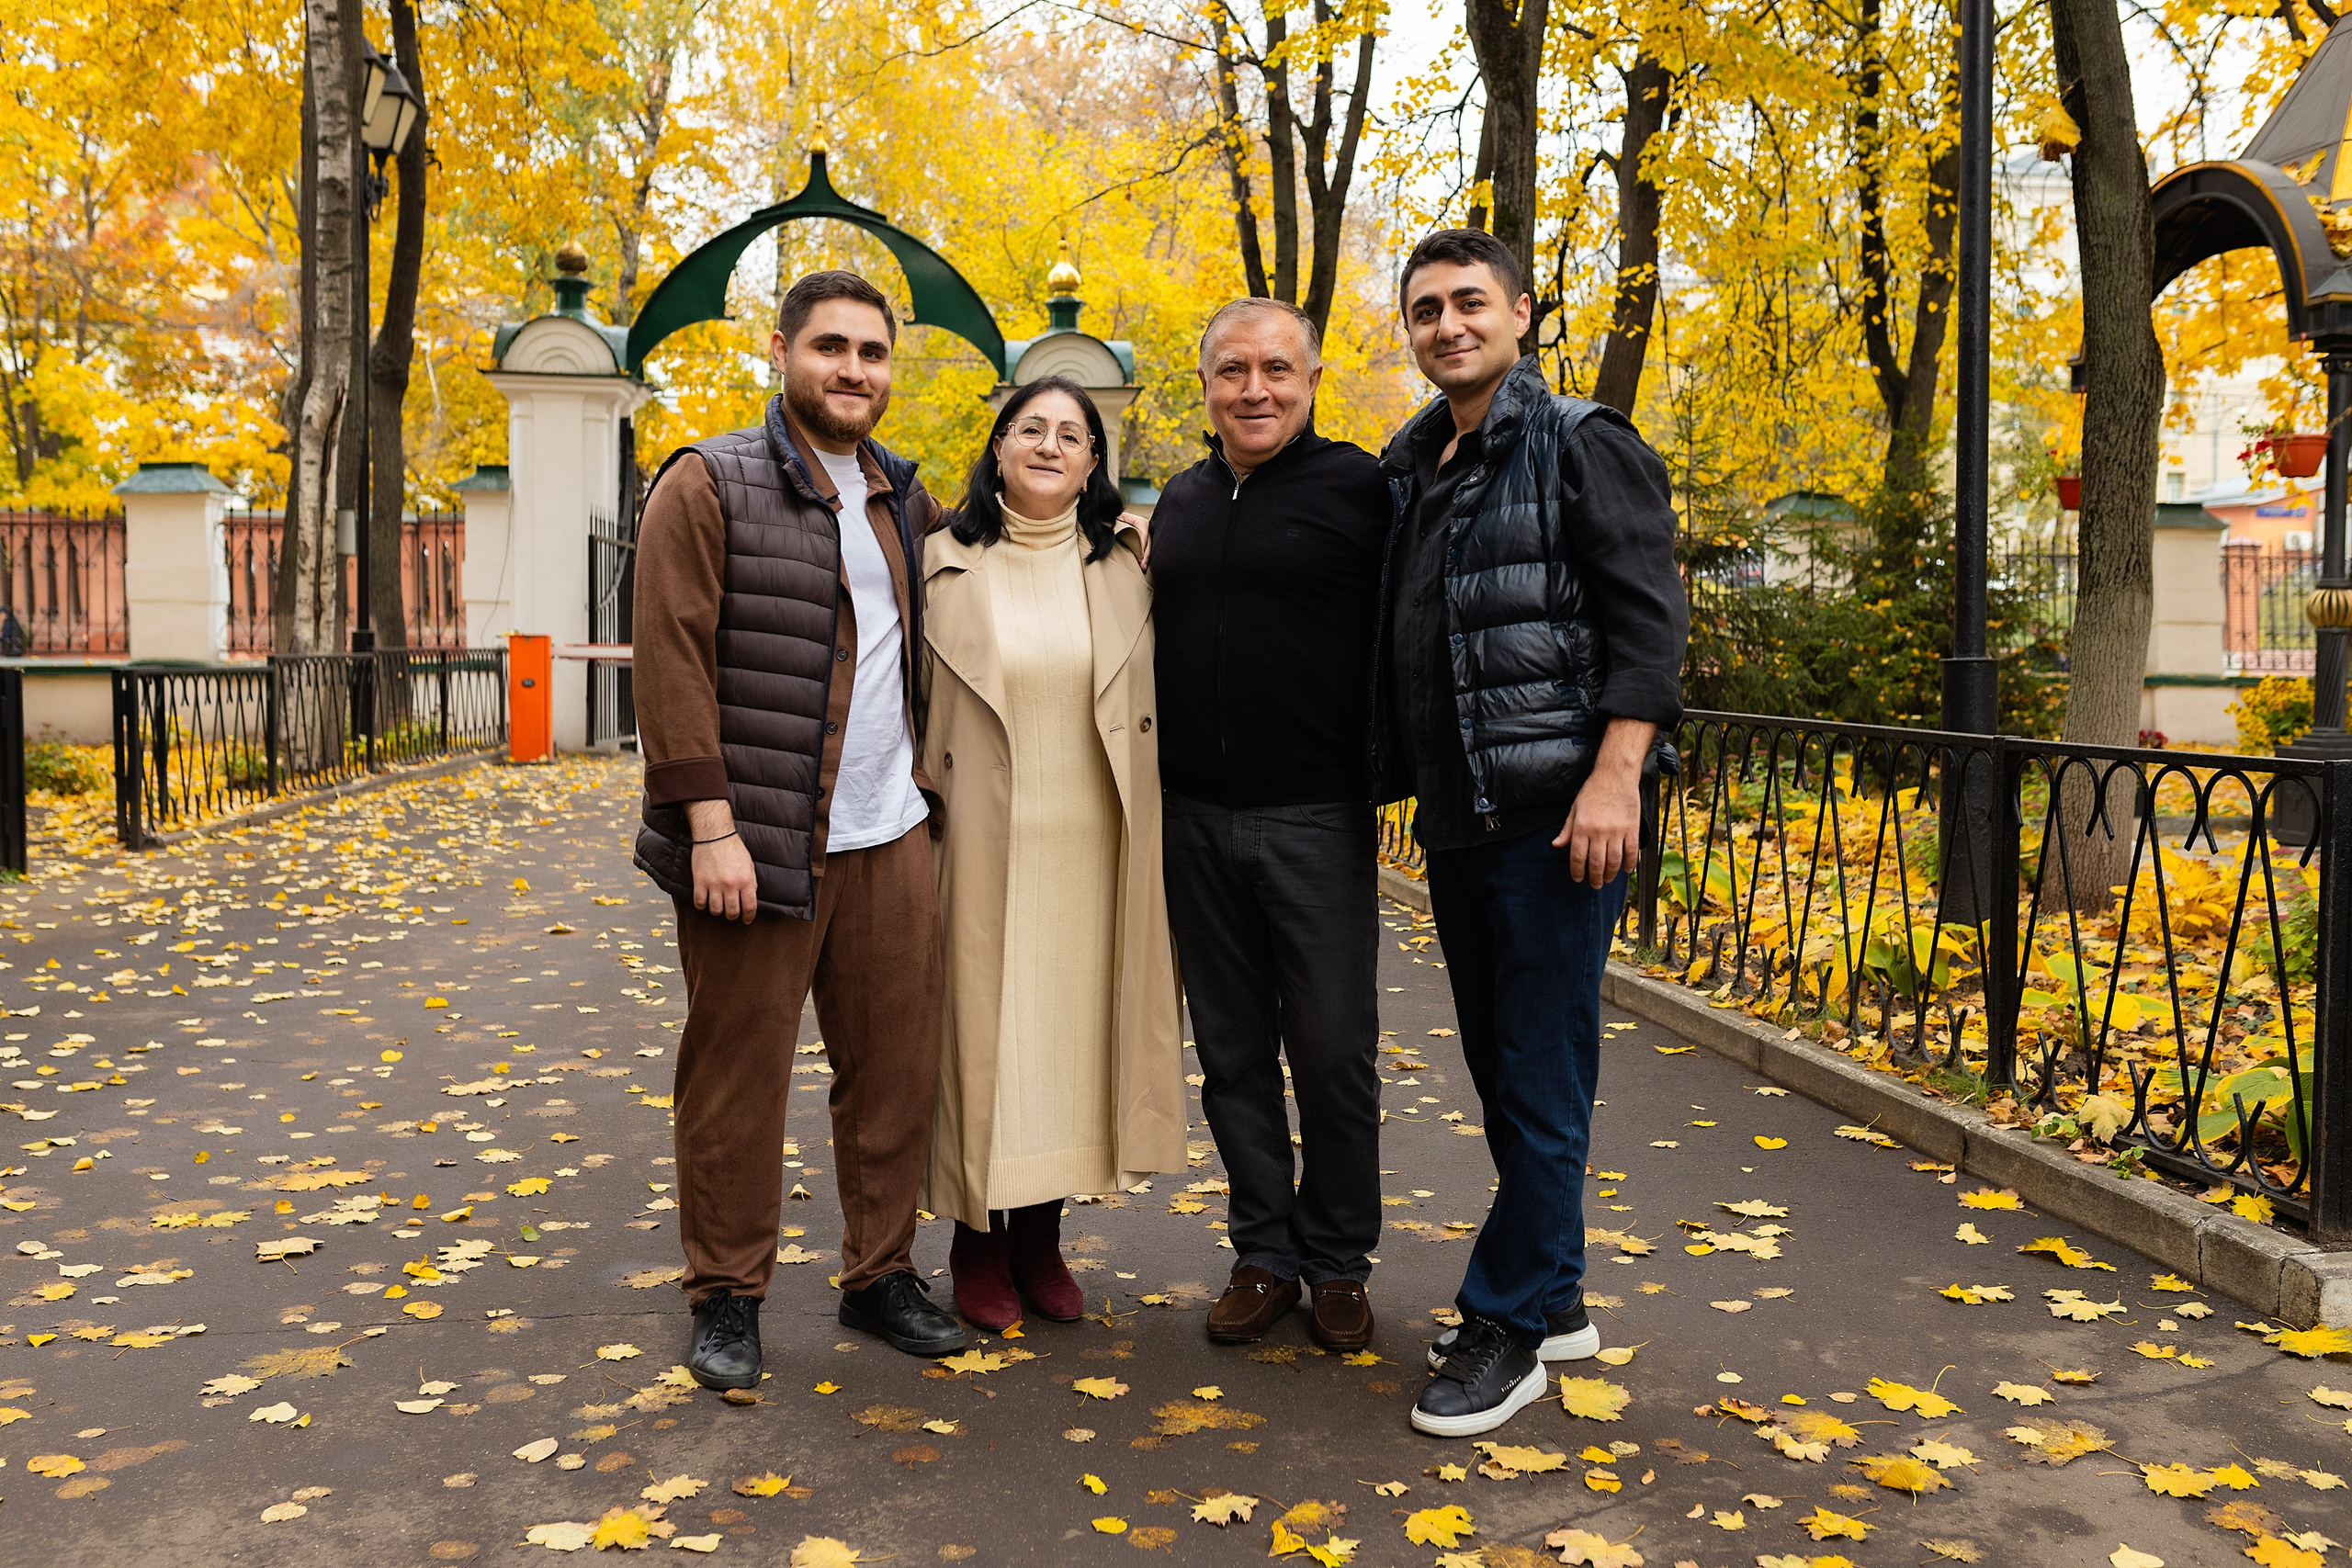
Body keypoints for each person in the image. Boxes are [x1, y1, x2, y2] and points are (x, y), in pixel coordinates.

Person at [632, 268, 970, 1390]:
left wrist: (1123, 529)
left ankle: (879, 1276)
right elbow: (669, 657)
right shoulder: (708, 481)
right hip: (758, 839)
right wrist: (710, 827)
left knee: (893, 1072)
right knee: (737, 1077)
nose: (852, 370)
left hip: (891, 832)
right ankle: (726, 1294)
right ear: (782, 352)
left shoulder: (903, 500)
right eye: (831, 347)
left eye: (871, 353)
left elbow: (1006, 558)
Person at [1379, 230, 1687, 1438]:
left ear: (1519, 313)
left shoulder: (1580, 441)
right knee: (1508, 1074)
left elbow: (1648, 625)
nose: (1447, 324)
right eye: (1426, 309)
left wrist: (1616, 777)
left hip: (1559, 819)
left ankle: (1502, 1329)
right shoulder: (1418, 465)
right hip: (1461, 818)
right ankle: (1554, 1296)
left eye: (1469, 302)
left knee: (1543, 1076)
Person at [917, 375, 1185, 1330]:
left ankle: (1039, 1237)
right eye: (1030, 428)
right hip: (979, 839)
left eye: (1071, 435)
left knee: (1068, 1043)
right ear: (997, 447)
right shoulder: (938, 561)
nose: (1048, 445)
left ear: (1092, 462)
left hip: (1094, 842)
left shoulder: (1126, 565)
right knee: (985, 1043)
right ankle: (976, 1241)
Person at [1149, 299, 1389, 1352]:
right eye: (1233, 371)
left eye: (1277, 370)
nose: (1255, 389)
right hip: (1193, 819)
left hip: (1315, 817)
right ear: (1205, 385)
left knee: (1332, 1051)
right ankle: (1264, 1255)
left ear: (1311, 380)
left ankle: (1337, 1262)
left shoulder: (1362, 490)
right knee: (1233, 1052)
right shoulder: (1179, 501)